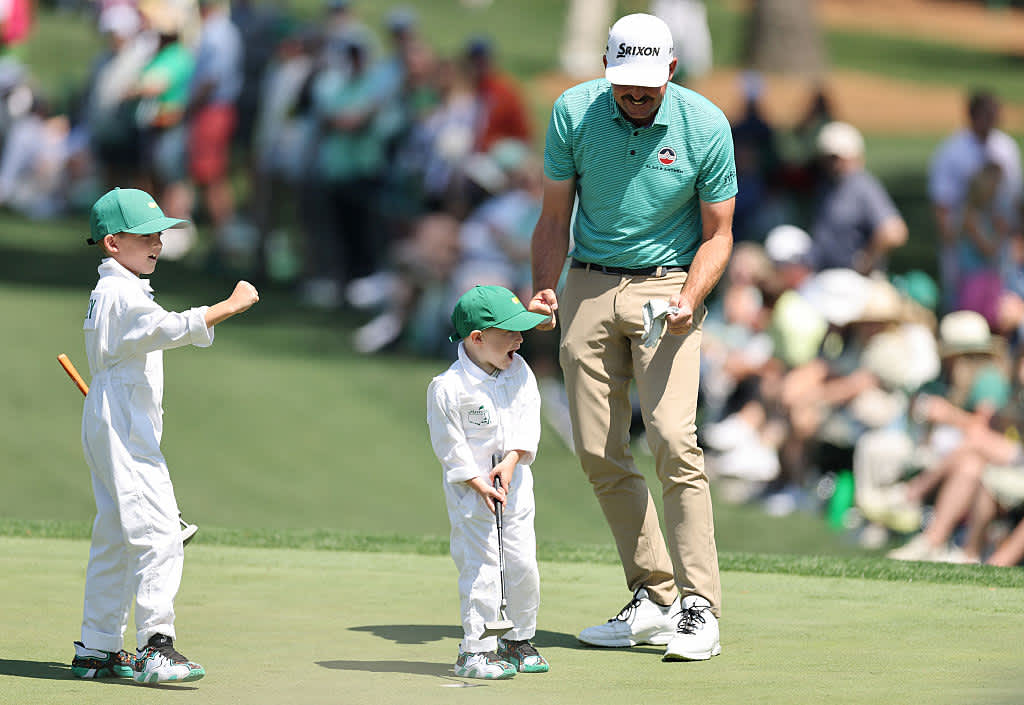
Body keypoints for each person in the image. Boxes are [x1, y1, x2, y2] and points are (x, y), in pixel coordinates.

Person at [528, 13, 736, 662]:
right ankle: (653, 594)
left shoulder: (705, 125)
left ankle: (699, 607)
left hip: (669, 287)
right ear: (607, 70)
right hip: (588, 282)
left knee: (675, 438)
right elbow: (554, 214)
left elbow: (719, 233)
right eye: (625, 83)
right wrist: (543, 286)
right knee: (596, 448)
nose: (636, 95)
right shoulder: (572, 112)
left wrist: (690, 296)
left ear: (670, 71)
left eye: (648, 84)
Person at [71, 187, 259, 684]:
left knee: (115, 534)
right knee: (159, 535)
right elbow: (169, 329)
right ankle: (156, 645)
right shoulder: (120, 292)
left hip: (114, 418)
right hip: (123, 427)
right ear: (113, 243)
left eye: (160, 234)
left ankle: (98, 647)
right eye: (146, 235)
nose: (158, 243)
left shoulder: (118, 288)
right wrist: (230, 306)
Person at [426, 285, 551, 680]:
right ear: (477, 338)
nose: (520, 338)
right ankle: (475, 649)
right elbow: (449, 445)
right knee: (482, 566)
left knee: (521, 563)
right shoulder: (448, 387)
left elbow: (528, 420)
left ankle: (517, 639)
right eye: (510, 331)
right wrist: (476, 481)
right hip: (472, 493)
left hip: (516, 486)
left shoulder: (521, 373)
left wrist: (513, 459)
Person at [808, 121, 908, 275]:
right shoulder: (827, 185)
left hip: (854, 282)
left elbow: (894, 232)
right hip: (826, 277)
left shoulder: (862, 186)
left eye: (835, 158)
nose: (830, 163)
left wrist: (866, 261)